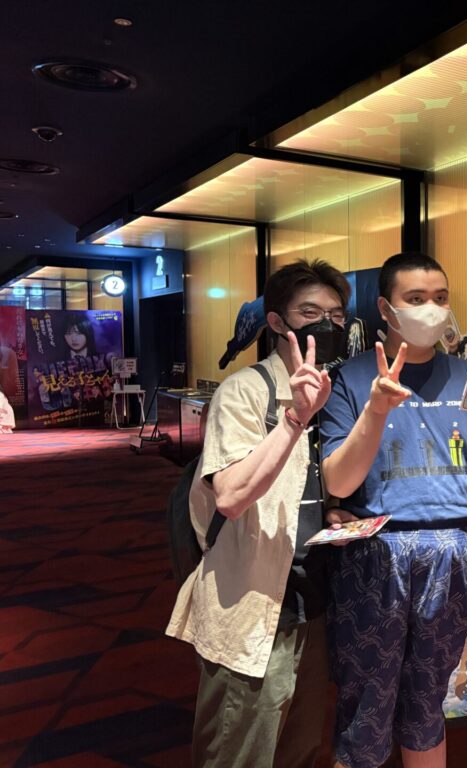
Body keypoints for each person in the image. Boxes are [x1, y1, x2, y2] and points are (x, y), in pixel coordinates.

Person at [320, 252, 467, 768]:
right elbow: (338, 481)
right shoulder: (351, 378)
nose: (431, 309)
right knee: (366, 699)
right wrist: (376, 409)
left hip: (454, 550)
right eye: (415, 298)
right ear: (386, 309)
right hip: (378, 552)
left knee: (429, 698)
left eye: (440, 298)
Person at [166, 258, 351, 768]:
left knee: (302, 747)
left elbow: (317, 490)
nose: (325, 325)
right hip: (252, 603)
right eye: (309, 313)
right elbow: (230, 496)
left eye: (335, 316)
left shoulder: (334, 393)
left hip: (314, 603)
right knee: (240, 749)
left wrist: (335, 516)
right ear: (276, 322)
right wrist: (294, 419)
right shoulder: (245, 392)